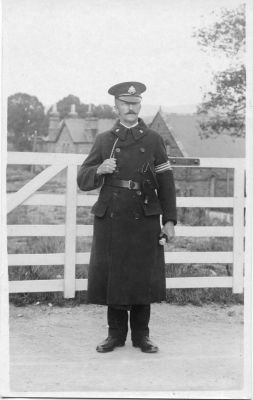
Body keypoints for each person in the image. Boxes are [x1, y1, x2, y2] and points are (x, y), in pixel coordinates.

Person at [77, 81, 177, 353]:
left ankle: (141, 336)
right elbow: (82, 179)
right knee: (115, 275)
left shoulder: (154, 140)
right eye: (125, 103)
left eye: (135, 103)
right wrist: (100, 169)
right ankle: (115, 335)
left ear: (139, 105)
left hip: (145, 214)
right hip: (112, 216)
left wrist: (169, 220)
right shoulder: (104, 140)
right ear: (116, 107)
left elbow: (166, 182)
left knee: (142, 274)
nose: (130, 108)